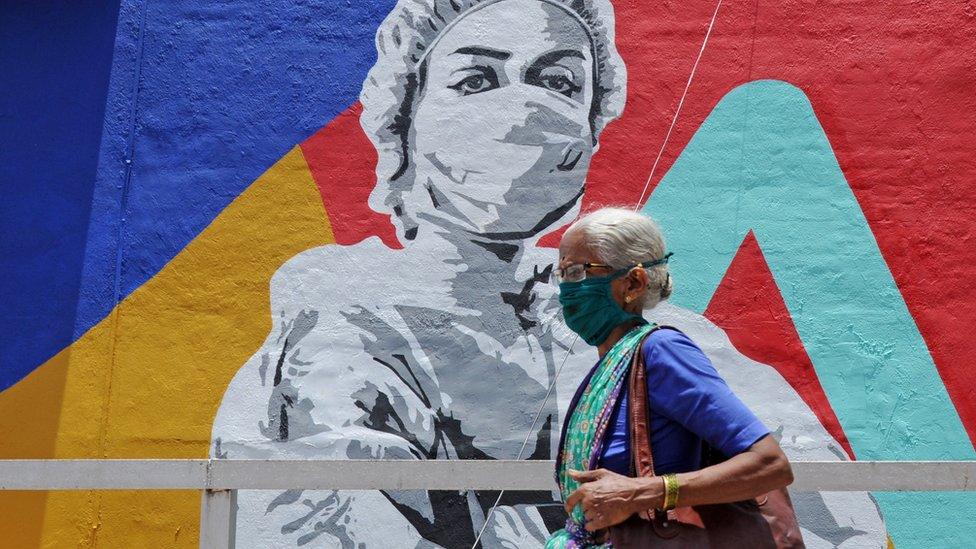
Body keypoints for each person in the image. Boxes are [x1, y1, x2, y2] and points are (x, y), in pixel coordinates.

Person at [210, 0, 887, 546]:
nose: (520, 110)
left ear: (591, 131)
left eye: (558, 81)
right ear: (404, 118)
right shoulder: (340, 322)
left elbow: (830, 506)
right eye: (476, 79)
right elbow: (324, 516)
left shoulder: (663, 340)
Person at [546, 207, 795, 547]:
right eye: (562, 274)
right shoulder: (612, 365)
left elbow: (769, 464)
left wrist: (645, 492)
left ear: (633, 282)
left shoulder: (661, 351)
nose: (566, 290)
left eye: (578, 272)